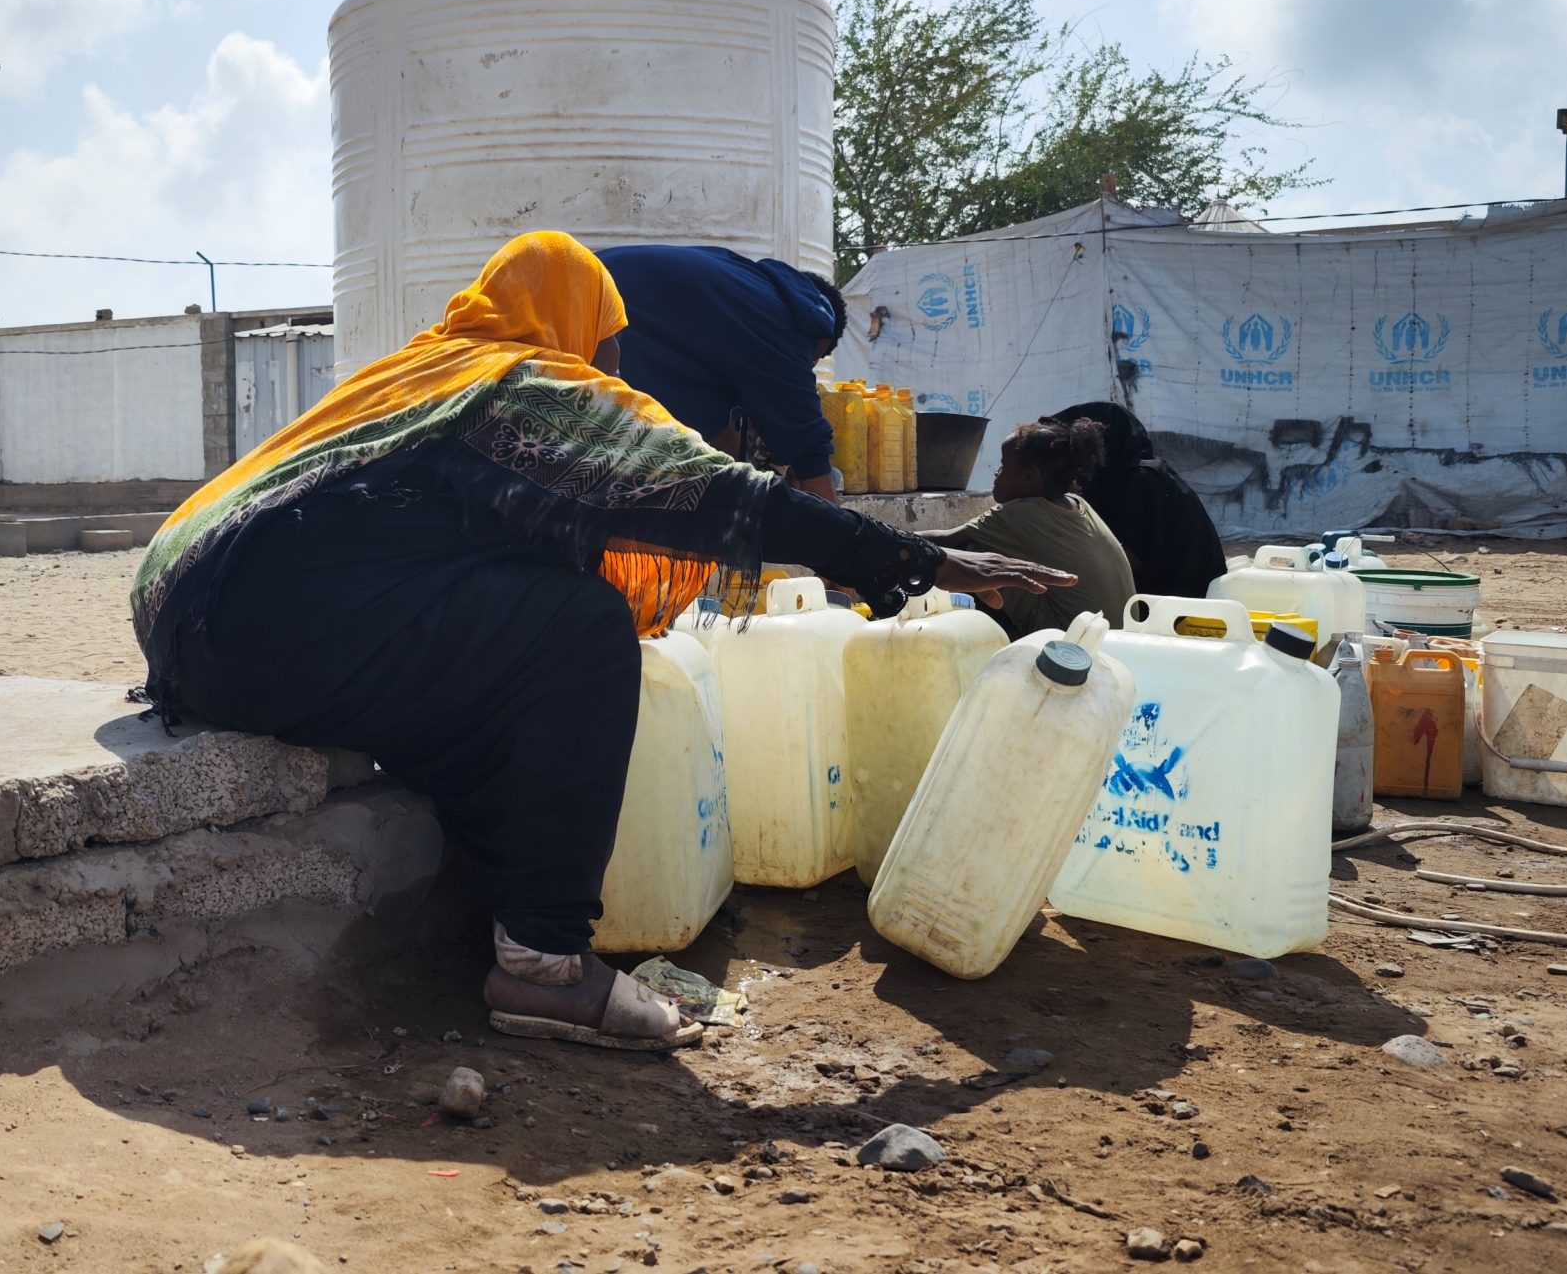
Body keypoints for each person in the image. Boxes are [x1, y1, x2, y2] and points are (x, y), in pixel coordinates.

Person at [132, 232, 1073, 1052]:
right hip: (249, 632)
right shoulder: (521, 384)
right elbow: (716, 497)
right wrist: (916, 560)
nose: (617, 371)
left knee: (512, 619)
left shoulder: (417, 372)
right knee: (577, 627)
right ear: (571, 324)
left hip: (183, 616)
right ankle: (542, 964)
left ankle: (495, 901)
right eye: (610, 346)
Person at [595, 245, 846, 500]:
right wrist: (836, 531)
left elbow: (713, 421)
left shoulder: (742, 287)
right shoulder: (787, 324)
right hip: (596, 306)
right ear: (821, 340)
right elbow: (808, 447)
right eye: (811, 360)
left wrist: (742, 486)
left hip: (586, 281)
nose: (807, 367)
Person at [927, 417, 1137, 640]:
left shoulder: (1017, 514)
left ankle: (999, 641)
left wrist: (890, 538)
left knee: (972, 552)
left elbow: (945, 539)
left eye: (1004, 465)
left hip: (1074, 641)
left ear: (1029, 477)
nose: (996, 473)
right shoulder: (1078, 503)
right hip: (1120, 637)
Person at [1041, 401, 1228, 599]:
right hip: (1166, 593)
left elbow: (1129, 560)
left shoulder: (1141, 479)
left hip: (1185, 600)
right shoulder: (1117, 478)